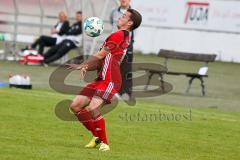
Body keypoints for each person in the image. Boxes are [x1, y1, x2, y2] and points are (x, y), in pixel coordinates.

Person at [67, 9, 142, 151]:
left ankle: (105, 144)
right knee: (76, 106)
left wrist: (83, 65)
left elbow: (101, 54)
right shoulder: (120, 35)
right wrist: (87, 67)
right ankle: (97, 137)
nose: (120, 17)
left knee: (92, 107)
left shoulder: (120, 34)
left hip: (110, 79)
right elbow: (101, 59)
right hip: (101, 78)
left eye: (124, 16)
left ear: (130, 23)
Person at [110, 0, 135, 102]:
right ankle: (114, 92)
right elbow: (113, 24)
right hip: (114, 45)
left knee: (126, 70)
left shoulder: (134, 14)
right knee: (113, 69)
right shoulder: (113, 12)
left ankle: (127, 94)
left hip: (126, 45)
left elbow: (134, 30)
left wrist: (128, 43)